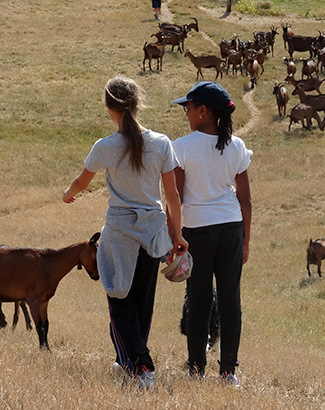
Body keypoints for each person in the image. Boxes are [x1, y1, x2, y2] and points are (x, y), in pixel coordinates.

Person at [63, 76, 188, 389]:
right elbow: (172, 196)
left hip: (120, 234)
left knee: (120, 302)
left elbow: (81, 181)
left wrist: (68, 194)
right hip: (153, 232)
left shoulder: (105, 146)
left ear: (109, 107)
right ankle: (127, 363)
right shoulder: (161, 143)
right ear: (136, 104)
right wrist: (178, 234)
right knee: (142, 304)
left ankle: (142, 365)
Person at [170, 81, 252, 386]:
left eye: (188, 108)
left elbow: (175, 198)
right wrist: (246, 240)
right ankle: (229, 372)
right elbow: (245, 199)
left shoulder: (181, 147)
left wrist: (174, 237)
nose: (186, 113)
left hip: (197, 231)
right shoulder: (237, 146)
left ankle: (196, 369)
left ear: (203, 112)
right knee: (231, 300)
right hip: (231, 229)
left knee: (199, 300)